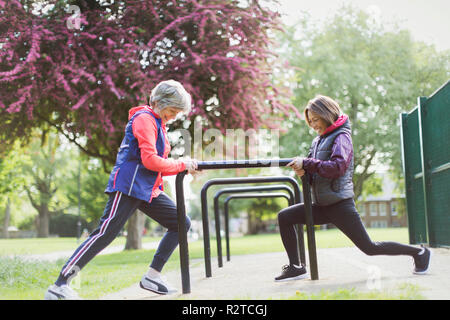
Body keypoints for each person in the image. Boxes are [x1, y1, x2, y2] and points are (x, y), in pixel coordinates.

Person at [45, 80, 199, 299]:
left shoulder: (159, 123)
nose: (174, 116)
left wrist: (184, 167)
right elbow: (150, 161)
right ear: (158, 102)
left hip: (147, 189)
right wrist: (181, 164)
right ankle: (60, 285)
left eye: (177, 113)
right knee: (105, 234)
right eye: (172, 111)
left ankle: (152, 276)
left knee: (180, 222)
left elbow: (159, 168)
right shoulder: (145, 119)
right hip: (128, 186)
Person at [275, 94, 431, 282]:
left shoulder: (342, 136)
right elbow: (316, 172)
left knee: (370, 248)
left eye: (316, 119)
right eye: (310, 121)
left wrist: (307, 163)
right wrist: (304, 175)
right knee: (285, 216)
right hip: (321, 205)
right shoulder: (318, 141)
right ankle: (296, 267)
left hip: (340, 205)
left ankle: (419, 252)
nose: (314, 125)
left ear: (327, 114)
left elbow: (338, 167)